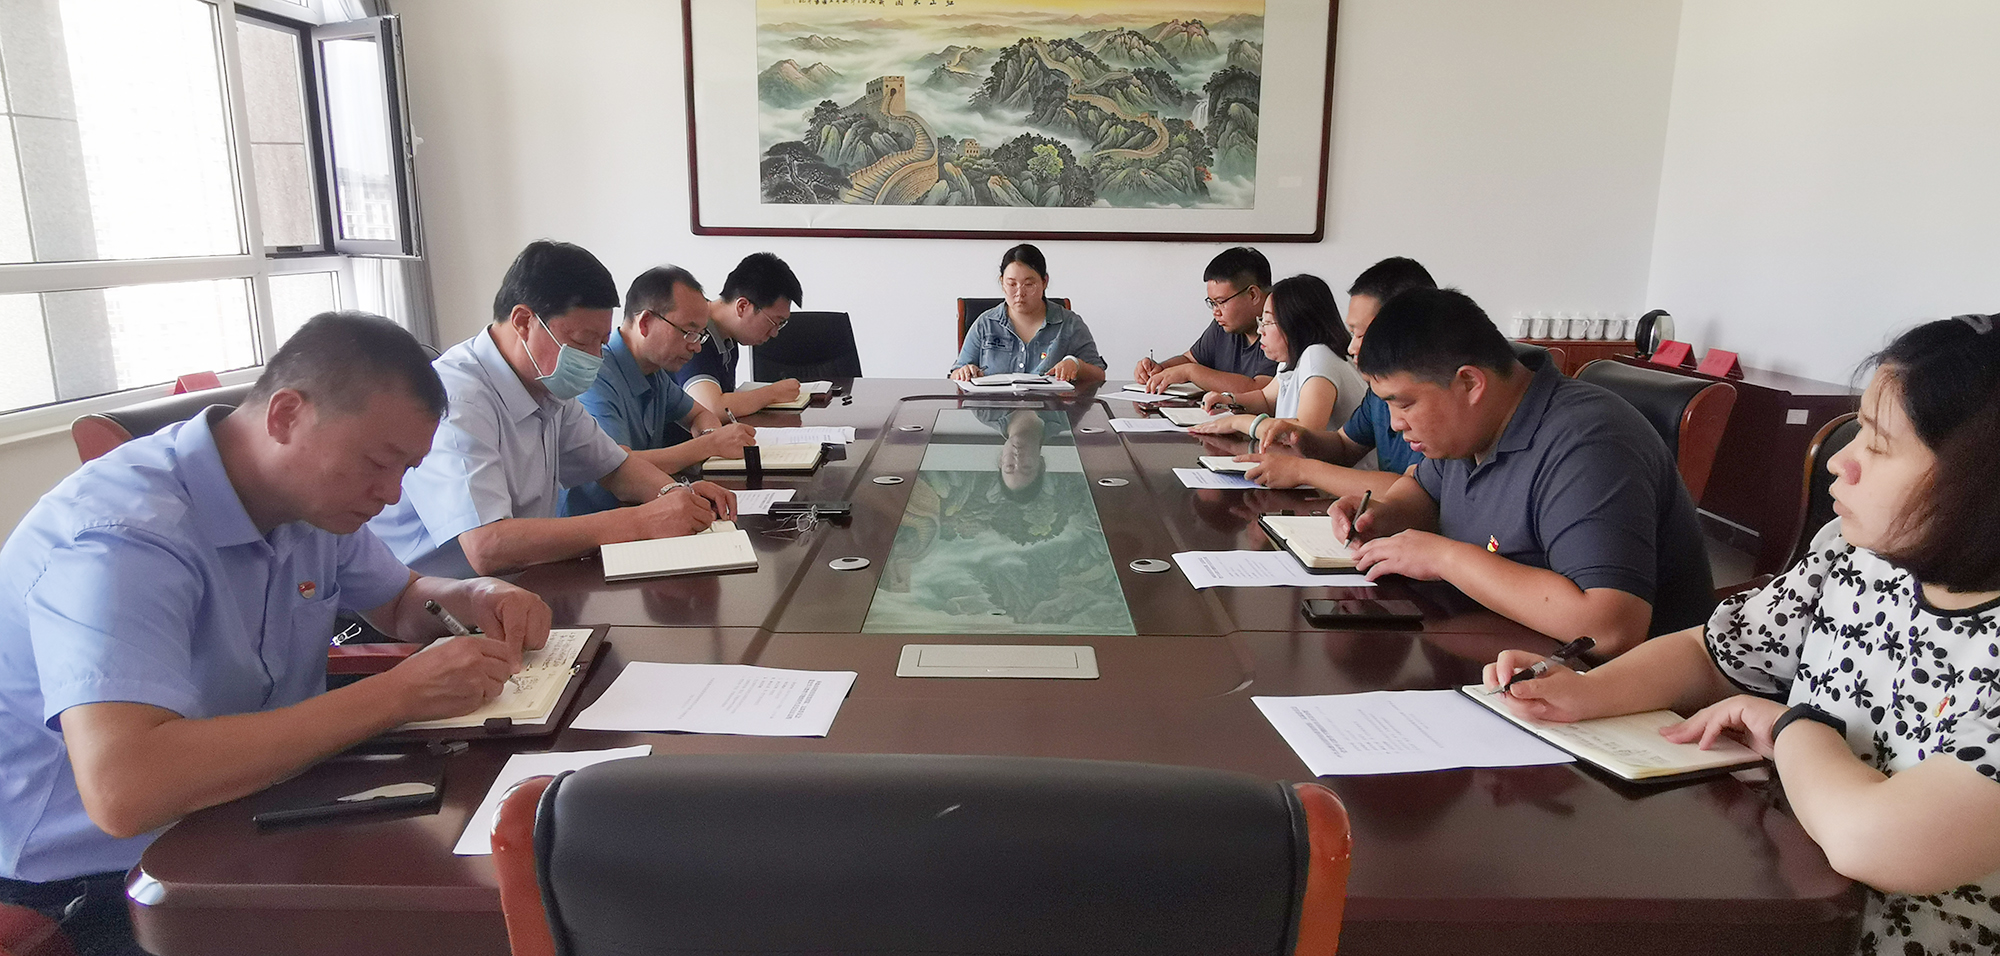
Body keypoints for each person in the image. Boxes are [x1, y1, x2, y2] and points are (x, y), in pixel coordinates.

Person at [0, 312, 552, 956]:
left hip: (252, 801)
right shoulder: (123, 540)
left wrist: (476, 594)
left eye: (408, 469)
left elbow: (402, 599)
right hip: (104, 882)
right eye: (379, 463)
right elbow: (126, 790)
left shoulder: (305, 499)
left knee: (513, 880)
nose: (391, 493)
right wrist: (398, 694)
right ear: (286, 415)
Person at [1481, 315, 2000, 956]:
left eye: (1878, 444)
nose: (1841, 461)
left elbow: (1873, 842)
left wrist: (1790, 727)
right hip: (1781, 890)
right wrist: (1587, 691)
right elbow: (1712, 652)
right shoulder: (1858, 560)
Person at [1328, 287, 1713, 654]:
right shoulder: (1469, 428)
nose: (1395, 423)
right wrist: (1383, 515)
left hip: (1608, 683)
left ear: (1470, 383)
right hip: (1499, 647)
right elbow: (1425, 489)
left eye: (1404, 404)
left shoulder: (1589, 444)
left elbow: (1610, 629)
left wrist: (1443, 558)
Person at [369, 240, 735, 578]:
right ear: (523, 322)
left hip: (517, 585)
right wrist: (641, 522)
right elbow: (487, 546)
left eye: (601, 342)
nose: (595, 357)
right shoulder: (456, 399)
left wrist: (674, 494)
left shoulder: (546, 385)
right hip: (431, 604)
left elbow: (615, 467)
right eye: (581, 341)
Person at [563, 266, 758, 516]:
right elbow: (618, 466)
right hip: (595, 522)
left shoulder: (654, 371)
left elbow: (700, 414)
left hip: (645, 506)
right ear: (645, 322)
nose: (696, 347)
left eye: (700, 335)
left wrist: (711, 437)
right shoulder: (596, 376)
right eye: (688, 332)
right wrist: (709, 445)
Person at [1240, 257, 1437, 496]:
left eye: (1362, 335)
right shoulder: (1376, 392)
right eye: (1352, 333)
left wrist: (1303, 470)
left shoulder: (1437, 395)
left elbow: (1414, 489)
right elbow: (1344, 446)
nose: (1352, 347)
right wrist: (1300, 437)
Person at [1189, 274, 1363, 447]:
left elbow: (1306, 431)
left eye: (1268, 321)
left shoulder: (1319, 356)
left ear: (1295, 325)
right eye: (1261, 321)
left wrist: (1239, 422)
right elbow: (1266, 399)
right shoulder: (1294, 358)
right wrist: (1229, 400)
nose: (1260, 330)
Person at [671, 252, 808, 418]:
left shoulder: (728, 337)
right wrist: (773, 393)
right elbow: (710, 408)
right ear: (742, 306)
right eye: (774, 322)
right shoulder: (695, 335)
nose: (774, 333)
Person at [949, 243, 1107, 387]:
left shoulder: (1069, 324)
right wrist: (964, 372)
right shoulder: (985, 324)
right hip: (995, 408)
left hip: (1051, 408)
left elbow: (1099, 375)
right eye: (1012, 284)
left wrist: (1076, 365)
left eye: (1029, 284)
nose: (1020, 293)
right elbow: (955, 374)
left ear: (1044, 282)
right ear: (1002, 283)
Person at [1132, 246, 1279, 394]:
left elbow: (1261, 391)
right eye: (1212, 303)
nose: (1216, 312)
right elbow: (1190, 359)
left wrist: (1190, 372)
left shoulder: (1281, 328)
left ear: (1253, 295)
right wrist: (1160, 370)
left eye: (1221, 302)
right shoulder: (1224, 325)